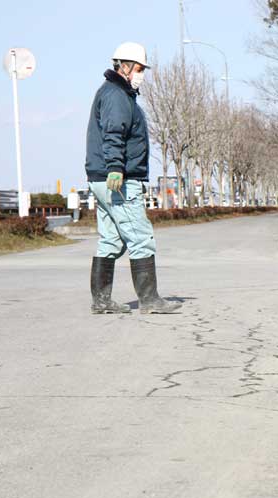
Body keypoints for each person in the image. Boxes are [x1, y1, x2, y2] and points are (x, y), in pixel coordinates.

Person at [85, 42, 180, 315]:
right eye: (139, 69)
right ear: (124, 66)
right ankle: (150, 301)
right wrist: (116, 166)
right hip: (117, 179)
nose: (141, 74)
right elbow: (114, 132)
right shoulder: (116, 95)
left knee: (111, 240)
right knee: (140, 237)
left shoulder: (116, 93)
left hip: (102, 178)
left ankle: (101, 302)